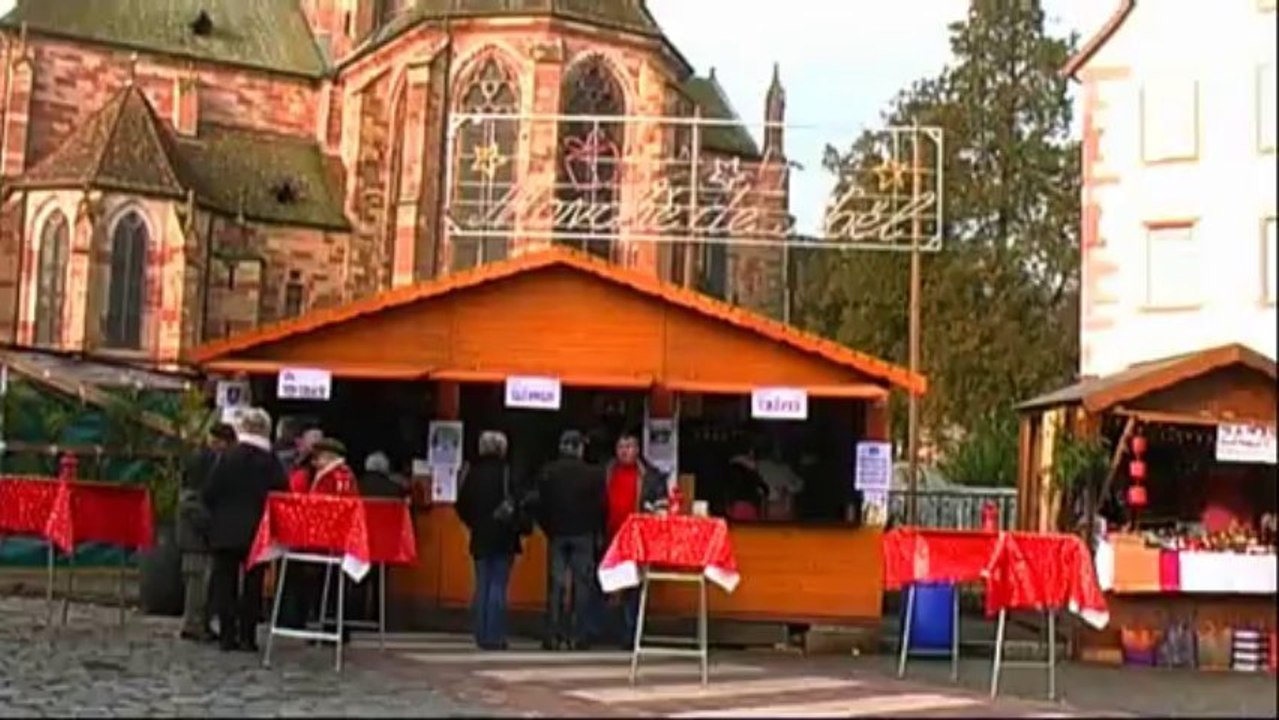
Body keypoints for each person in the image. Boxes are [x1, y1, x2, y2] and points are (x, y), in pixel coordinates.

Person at [202, 408, 287, 652]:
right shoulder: (271, 462)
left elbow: (209, 491)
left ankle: (227, 636)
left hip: (225, 530)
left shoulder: (227, 457)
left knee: (224, 583)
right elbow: (283, 493)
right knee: (253, 585)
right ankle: (248, 637)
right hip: (258, 532)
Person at [455, 431, 527, 650]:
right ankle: (495, 636)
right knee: (498, 586)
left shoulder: (472, 473)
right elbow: (518, 501)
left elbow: (461, 505)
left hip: (480, 536)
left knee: (482, 585)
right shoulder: (508, 472)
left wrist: (474, 523)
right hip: (504, 536)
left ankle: (481, 634)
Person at [535, 430, 604, 651]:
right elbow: (601, 508)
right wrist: (596, 530)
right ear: (579, 448)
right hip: (583, 534)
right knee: (582, 586)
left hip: (557, 534)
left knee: (556, 585)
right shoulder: (593, 474)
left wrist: (549, 527)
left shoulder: (548, 472)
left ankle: (552, 635)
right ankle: (578, 635)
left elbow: (540, 504)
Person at [603, 432, 668, 651]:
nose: (624, 451)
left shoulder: (650, 476)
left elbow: (661, 505)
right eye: (621, 446)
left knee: (633, 588)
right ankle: (608, 631)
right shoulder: (606, 472)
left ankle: (630, 635)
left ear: (638, 449)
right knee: (610, 584)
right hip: (610, 537)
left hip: (637, 541)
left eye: (629, 446)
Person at [176, 422, 236, 643]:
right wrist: (211, 525)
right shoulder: (203, 462)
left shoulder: (203, 458)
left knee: (202, 582)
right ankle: (194, 624)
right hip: (195, 537)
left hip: (195, 534)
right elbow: (191, 502)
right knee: (198, 583)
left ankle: (199, 623)